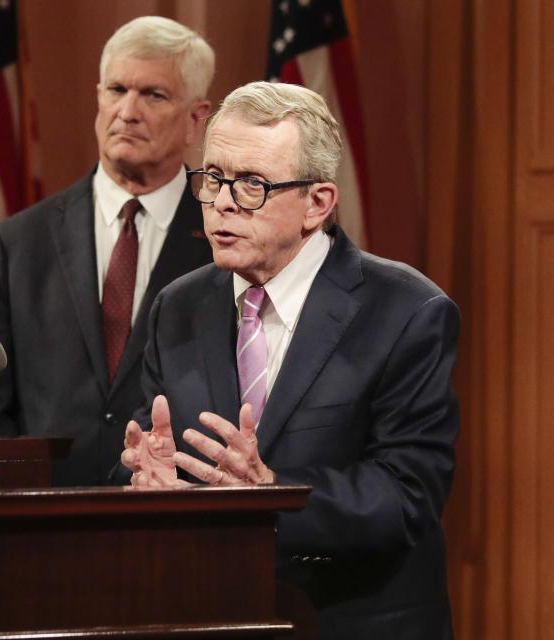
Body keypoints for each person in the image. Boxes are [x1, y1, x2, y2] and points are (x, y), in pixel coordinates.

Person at [121, 82, 460, 639]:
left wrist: (272, 492)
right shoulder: (177, 306)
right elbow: (154, 452)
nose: (223, 202)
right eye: (213, 178)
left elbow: (407, 495)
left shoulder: (406, 312)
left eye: (252, 183)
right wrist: (143, 481)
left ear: (317, 203)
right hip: (208, 615)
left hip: (349, 622)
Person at [0, 17, 216, 486]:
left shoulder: (226, 241)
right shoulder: (20, 241)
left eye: (153, 95)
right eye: (116, 89)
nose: (127, 111)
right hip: (43, 528)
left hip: (177, 523)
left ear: (196, 119)